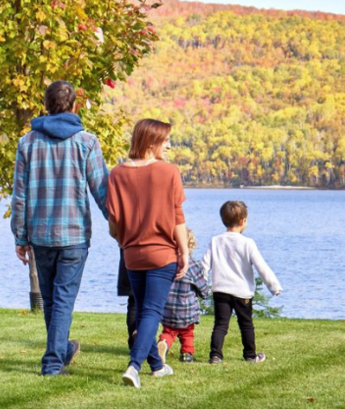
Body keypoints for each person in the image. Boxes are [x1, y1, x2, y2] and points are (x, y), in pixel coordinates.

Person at [11, 80, 111, 376]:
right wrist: (120, 226)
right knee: (63, 298)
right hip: (74, 234)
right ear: (74, 107)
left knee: (54, 300)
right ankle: (53, 363)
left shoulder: (27, 143)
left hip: (40, 234)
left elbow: (20, 195)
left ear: (45, 105)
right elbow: (102, 190)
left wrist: (20, 236)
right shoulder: (87, 141)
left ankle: (62, 350)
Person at [104, 117, 189, 386]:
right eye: (165, 141)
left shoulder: (117, 174)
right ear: (152, 142)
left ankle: (156, 365)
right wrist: (184, 251)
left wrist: (124, 240)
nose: (169, 146)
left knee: (143, 311)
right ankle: (134, 366)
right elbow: (177, 217)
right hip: (161, 252)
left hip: (131, 254)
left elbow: (113, 224)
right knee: (152, 312)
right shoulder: (169, 172)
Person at [204, 199, 282, 364]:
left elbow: (205, 264)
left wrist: (202, 284)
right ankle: (250, 355)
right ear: (243, 221)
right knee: (246, 324)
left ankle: (215, 355)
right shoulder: (248, 243)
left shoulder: (215, 241)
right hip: (242, 291)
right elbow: (261, 266)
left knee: (220, 324)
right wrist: (274, 286)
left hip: (220, 290)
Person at [159, 227, 211, 364]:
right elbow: (201, 285)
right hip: (186, 310)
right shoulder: (193, 265)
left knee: (168, 331)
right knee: (187, 332)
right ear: (190, 245)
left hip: (167, 308)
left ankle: (163, 343)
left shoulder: (164, 264)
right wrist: (205, 294)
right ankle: (187, 354)